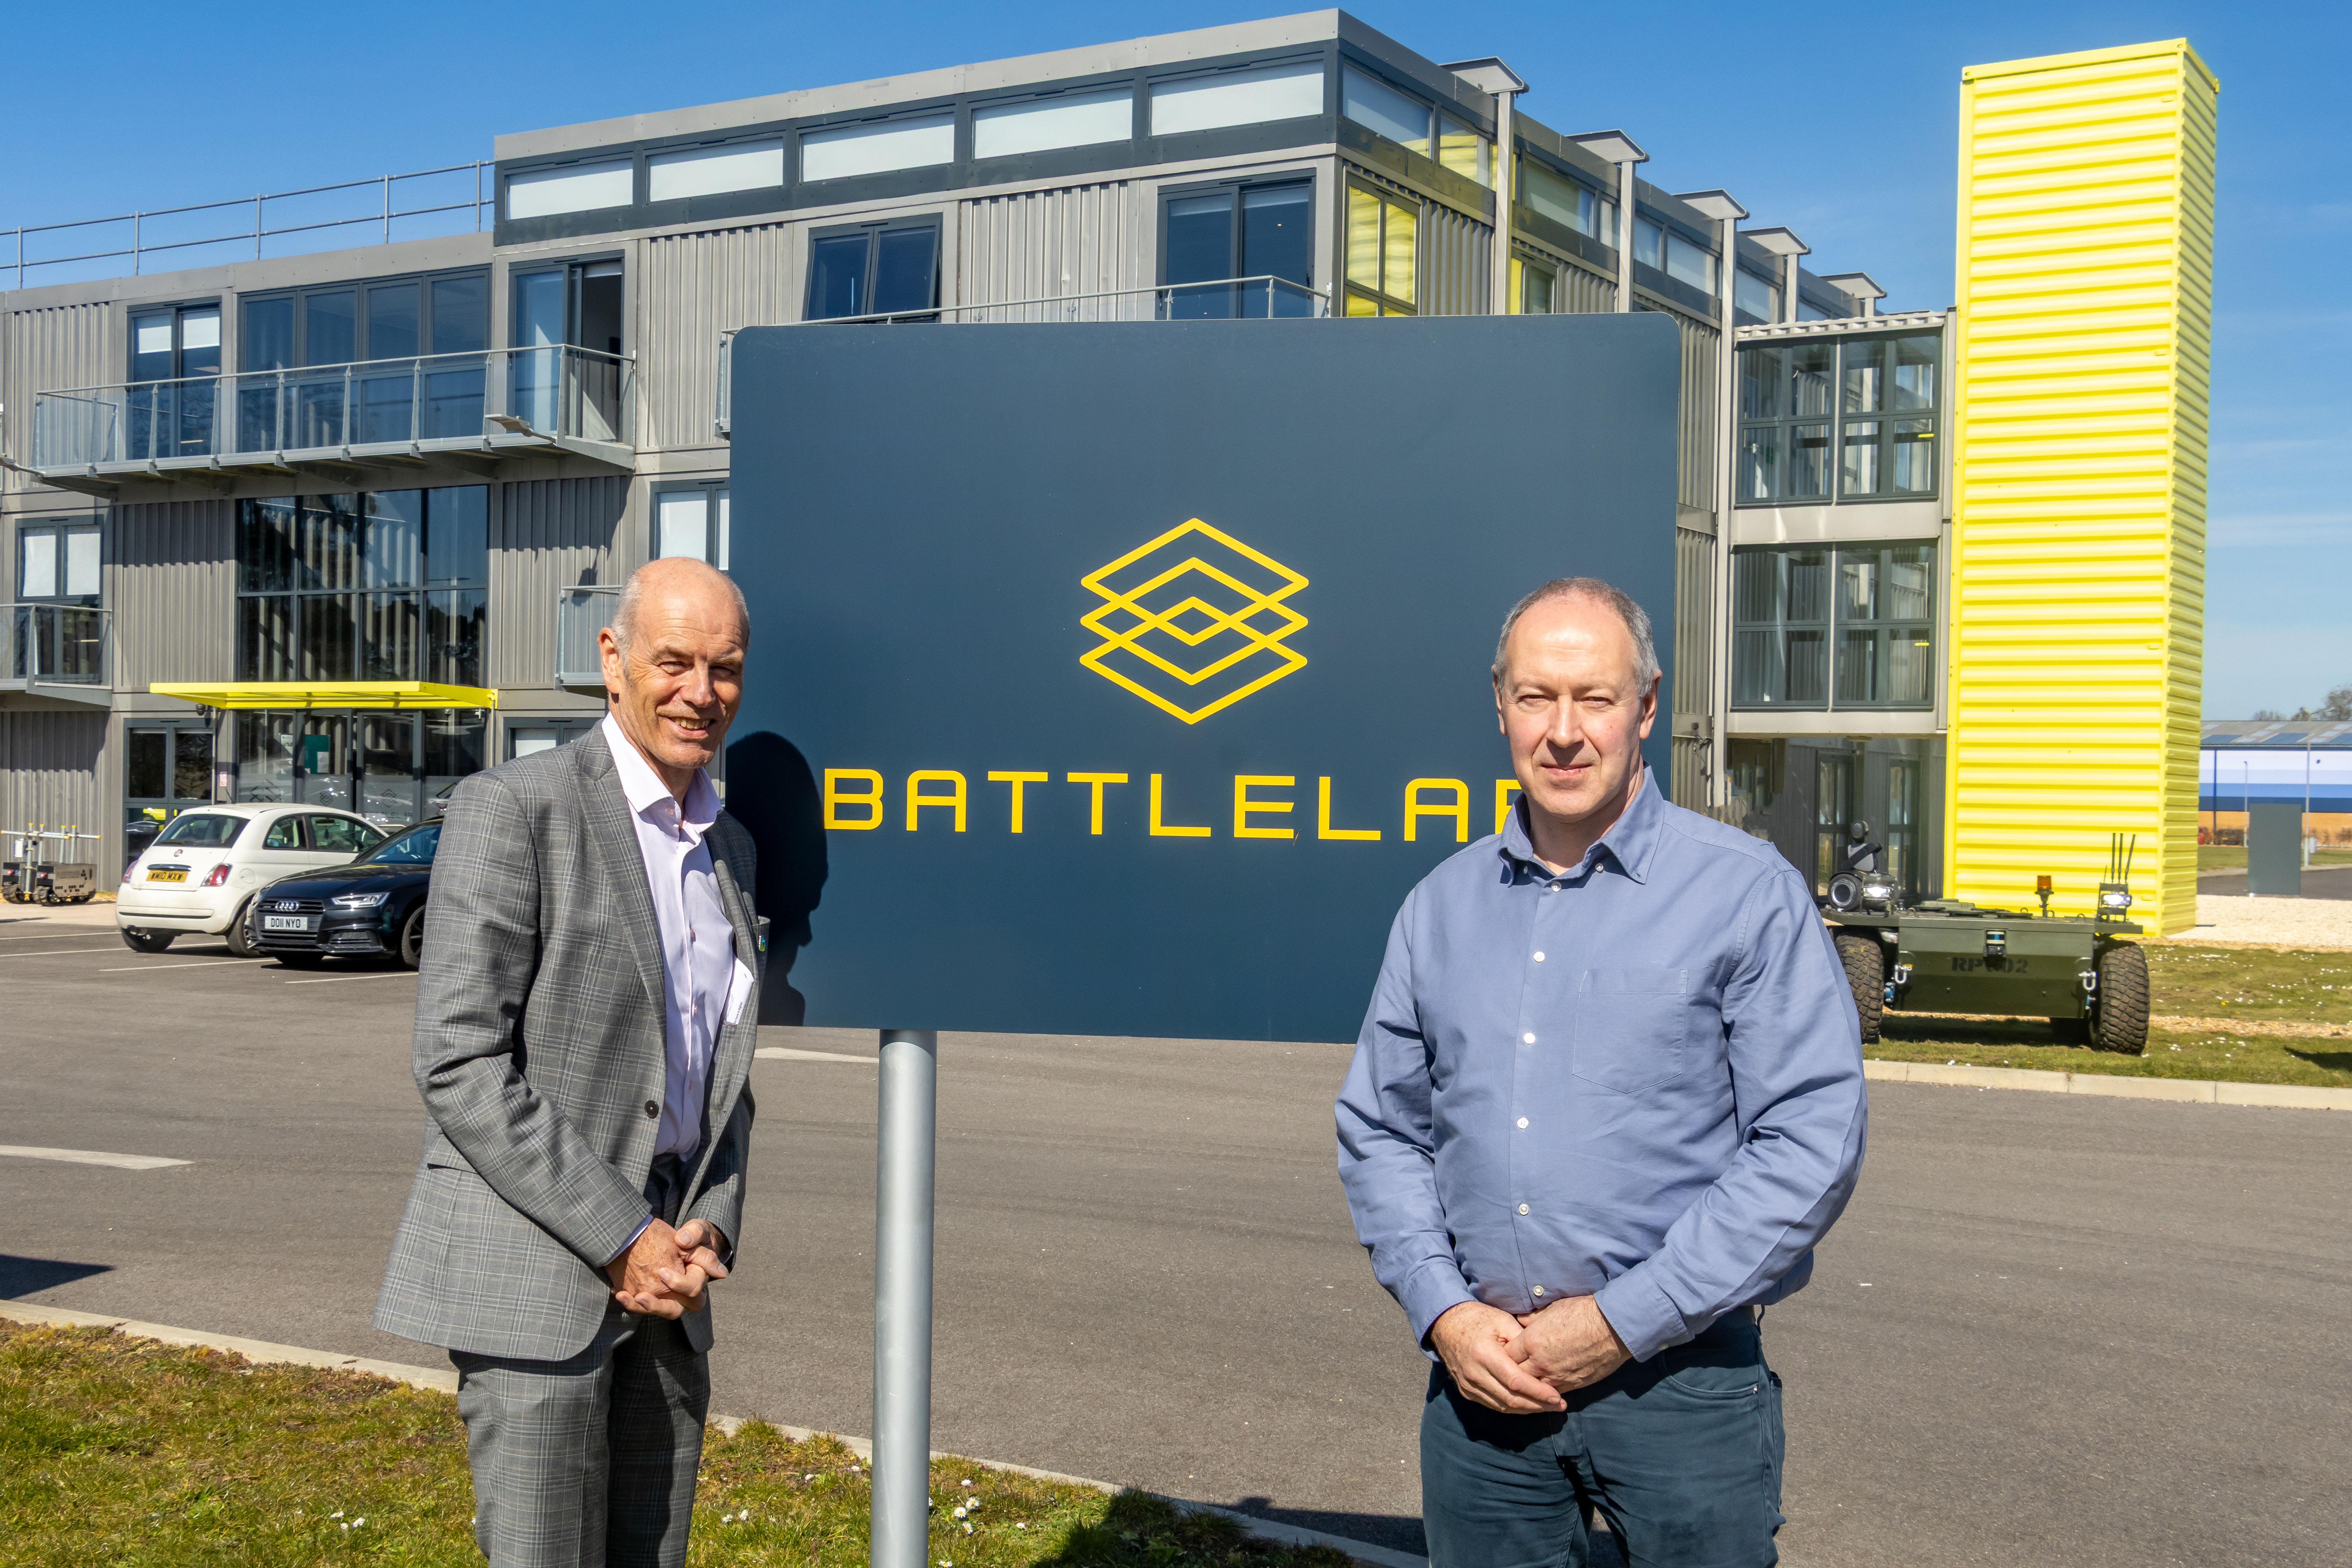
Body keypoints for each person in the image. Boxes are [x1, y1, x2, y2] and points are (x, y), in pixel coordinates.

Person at [1336, 576, 1867, 1567]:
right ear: (1499, 704)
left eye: (1595, 697)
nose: (1564, 731)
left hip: (1683, 1387)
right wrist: (1443, 1310)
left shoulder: (1745, 895)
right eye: (1537, 696)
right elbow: (1383, 1131)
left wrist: (1622, 1321)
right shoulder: (1438, 908)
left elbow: (1809, 1141)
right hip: (1482, 1398)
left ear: (1647, 708)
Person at [376, 556, 766, 1568]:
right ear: (612, 659)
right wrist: (622, 1232)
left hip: (671, 1289)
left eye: (724, 668)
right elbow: (459, 1062)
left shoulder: (731, 848)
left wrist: (709, 1220)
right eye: (673, 661)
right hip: (535, 1283)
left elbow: (718, 1076)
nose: (700, 691)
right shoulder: (515, 807)